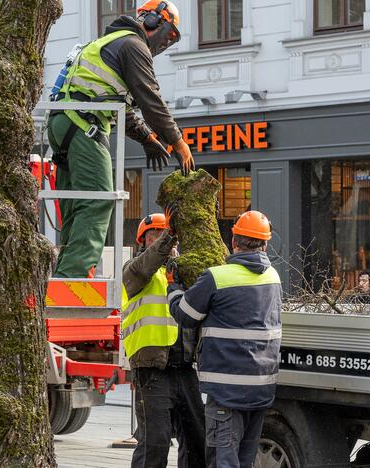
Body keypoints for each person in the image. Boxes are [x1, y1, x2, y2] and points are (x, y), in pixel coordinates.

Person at [48, 0, 196, 278]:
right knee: (100, 198)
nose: (166, 43)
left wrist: (146, 138)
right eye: (169, 35)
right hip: (83, 124)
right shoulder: (133, 45)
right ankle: (74, 274)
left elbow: (119, 104)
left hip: (64, 122)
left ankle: (66, 268)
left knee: (76, 201)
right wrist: (177, 141)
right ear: (153, 21)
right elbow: (149, 97)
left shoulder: (109, 42)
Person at [167, 211, 282, 468]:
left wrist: (173, 288)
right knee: (244, 460)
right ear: (265, 244)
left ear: (234, 241)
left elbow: (185, 315)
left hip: (227, 391)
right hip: (261, 388)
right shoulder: (273, 277)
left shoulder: (217, 277)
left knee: (223, 461)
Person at [121, 211, 206, 468]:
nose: (159, 239)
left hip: (184, 368)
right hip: (153, 370)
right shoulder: (135, 271)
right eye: (154, 235)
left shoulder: (182, 273)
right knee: (155, 442)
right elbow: (149, 262)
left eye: (163, 233)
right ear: (142, 242)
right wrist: (170, 234)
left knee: (197, 441)